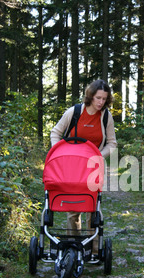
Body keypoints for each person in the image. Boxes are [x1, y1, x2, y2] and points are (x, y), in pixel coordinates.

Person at [50, 79, 117, 237]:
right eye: (98, 98)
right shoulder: (74, 112)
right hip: (70, 165)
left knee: (92, 207)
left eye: (104, 99)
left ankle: (92, 249)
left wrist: (98, 156)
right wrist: (58, 153)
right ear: (90, 96)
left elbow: (112, 143)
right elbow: (55, 133)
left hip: (93, 166)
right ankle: (74, 242)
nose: (101, 102)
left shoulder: (106, 117)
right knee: (74, 206)